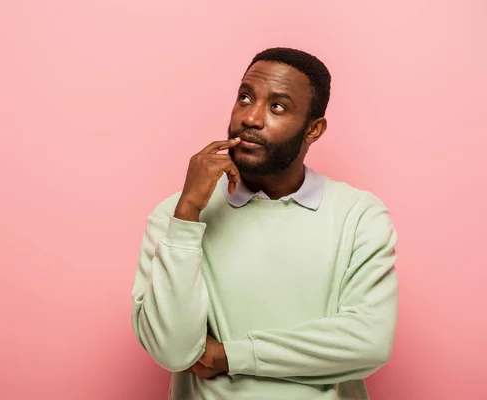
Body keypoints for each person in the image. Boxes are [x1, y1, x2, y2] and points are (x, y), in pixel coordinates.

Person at [130, 47, 398, 400]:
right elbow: (172, 351)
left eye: (277, 107)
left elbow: (369, 342)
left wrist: (231, 356)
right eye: (245, 97)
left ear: (313, 129)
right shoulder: (176, 216)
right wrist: (188, 214)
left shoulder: (359, 215)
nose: (251, 118)